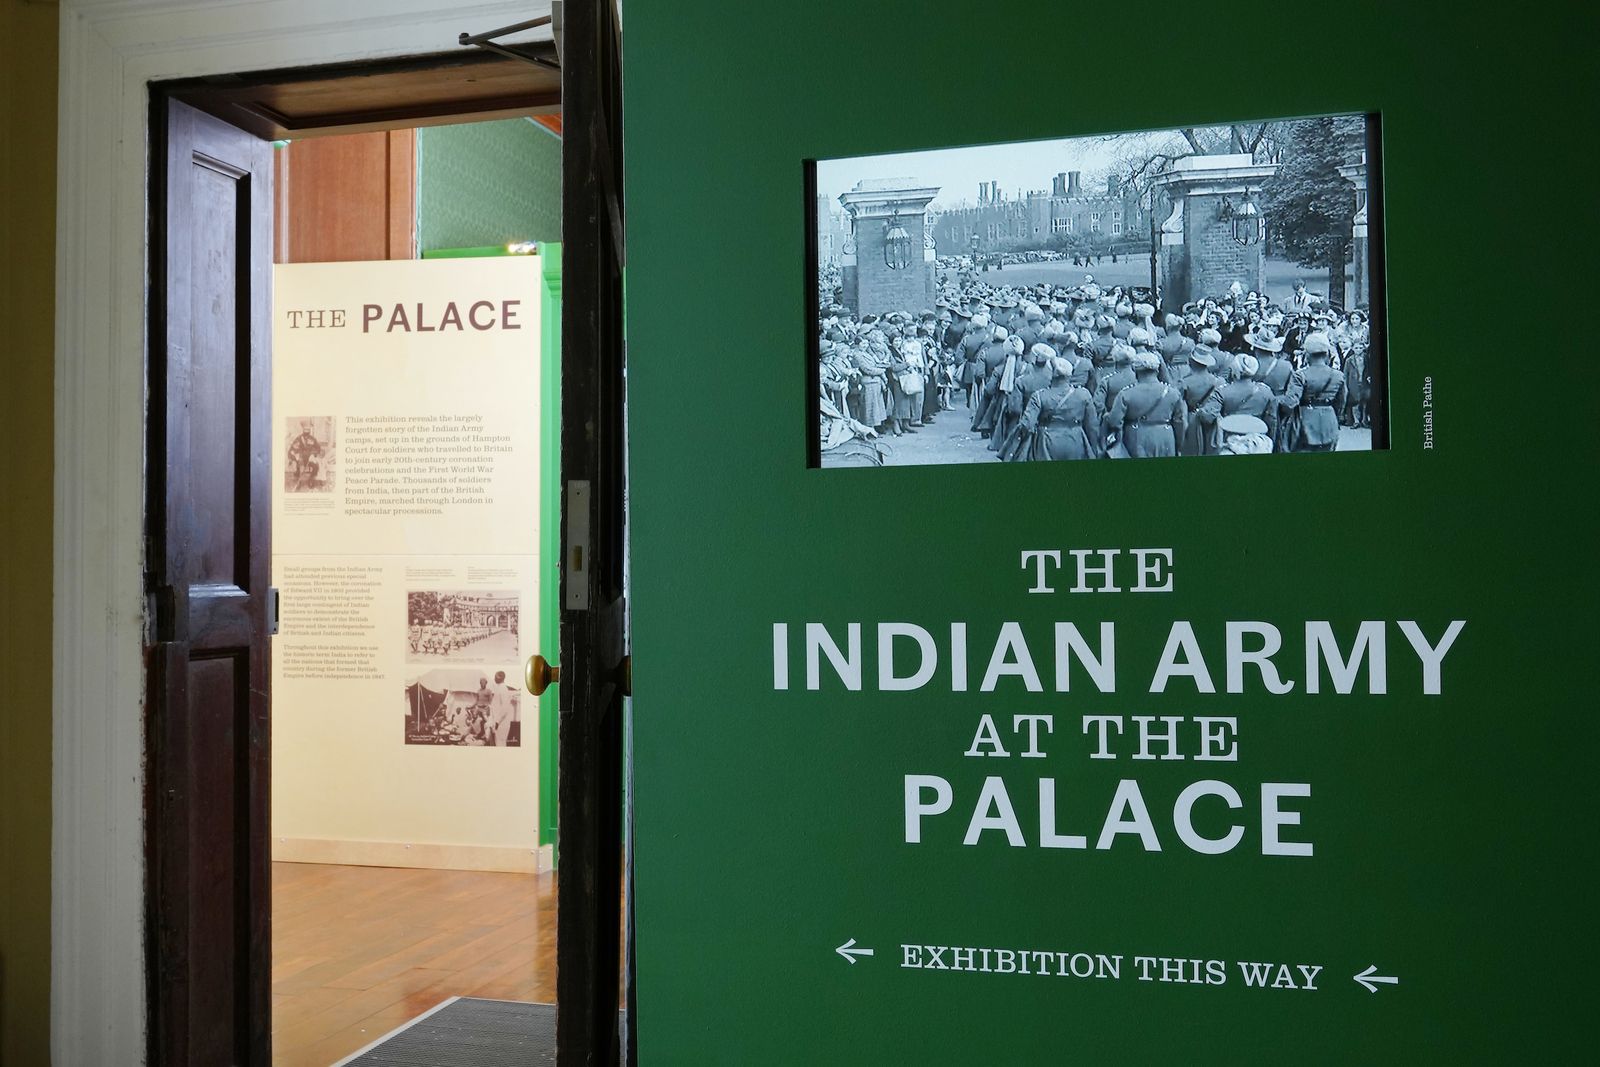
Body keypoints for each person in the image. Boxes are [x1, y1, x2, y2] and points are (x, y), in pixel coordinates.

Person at [1016, 356, 1100, 461]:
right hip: (1076, 440)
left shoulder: (1039, 396)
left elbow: (1027, 424)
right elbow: (1092, 426)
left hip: (1046, 441)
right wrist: (1093, 449)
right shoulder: (1083, 394)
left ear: (1053, 374)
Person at [1104, 352, 1185, 458]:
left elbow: (1114, 421)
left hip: (1137, 437)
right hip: (1165, 438)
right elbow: (1180, 423)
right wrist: (1178, 445)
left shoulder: (1126, 394)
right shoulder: (1172, 393)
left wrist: (1107, 417)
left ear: (1135, 370)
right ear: (1157, 370)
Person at [1283, 334, 1347, 452]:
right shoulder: (1338, 375)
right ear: (1327, 354)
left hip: (1306, 421)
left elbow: (1291, 402)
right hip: (1330, 421)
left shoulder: (1300, 375)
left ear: (1307, 355)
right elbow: (1342, 402)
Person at [286, 419, 324, 491]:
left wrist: (313, 454)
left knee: (316, 466)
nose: (306, 431)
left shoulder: (313, 439)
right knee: (299, 465)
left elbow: (318, 448)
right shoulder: (299, 438)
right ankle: (299, 481)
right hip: (301, 458)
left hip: (310, 458)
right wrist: (296, 456)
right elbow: (293, 448)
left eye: (308, 429)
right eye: (305, 429)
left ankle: (311, 479)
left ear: (309, 430)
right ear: (303, 429)